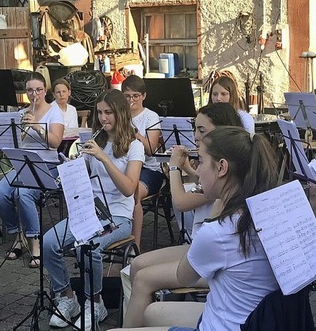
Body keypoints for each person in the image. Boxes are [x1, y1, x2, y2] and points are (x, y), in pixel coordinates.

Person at [121, 127, 279, 330]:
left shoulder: (218, 230)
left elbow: (184, 276)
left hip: (226, 325)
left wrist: (213, 215)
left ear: (222, 168)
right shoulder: (265, 210)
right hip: (254, 317)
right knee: (152, 313)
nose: (198, 169)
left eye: (201, 161)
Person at [123, 103, 243, 328]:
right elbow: (203, 181)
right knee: (137, 264)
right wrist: (189, 168)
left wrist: (176, 169)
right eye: (195, 129)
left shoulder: (227, 175)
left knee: (142, 279)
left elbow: (181, 202)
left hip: (212, 256)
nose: (195, 136)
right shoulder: (224, 166)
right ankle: (135, 319)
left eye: (202, 131)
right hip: (205, 246)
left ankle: (133, 324)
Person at [44, 89, 144, 331]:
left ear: (120, 113)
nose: (103, 118)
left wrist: (103, 158)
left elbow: (129, 189)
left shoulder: (134, 146)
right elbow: (86, 177)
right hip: (90, 211)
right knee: (49, 241)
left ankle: (95, 302)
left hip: (119, 215)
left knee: (89, 248)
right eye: (99, 113)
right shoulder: (95, 139)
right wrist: (72, 168)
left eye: (108, 112)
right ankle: (67, 297)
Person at [0, 72, 65, 268]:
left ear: (45, 90)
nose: (35, 95)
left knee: (23, 193)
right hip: (22, 163)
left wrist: (37, 127)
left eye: (39, 90)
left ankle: (35, 242)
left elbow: (55, 143)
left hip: (48, 165)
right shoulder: (22, 113)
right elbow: (14, 144)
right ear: (26, 92)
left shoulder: (54, 112)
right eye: (31, 91)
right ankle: (18, 235)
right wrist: (18, 132)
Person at [121, 75, 163, 246]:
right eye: (127, 96)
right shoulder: (119, 115)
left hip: (149, 170)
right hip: (125, 165)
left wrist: (136, 134)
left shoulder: (151, 116)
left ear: (143, 96)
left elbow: (151, 150)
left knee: (133, 192)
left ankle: (134, 247)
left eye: (135, 96)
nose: (131, 100)